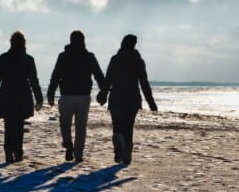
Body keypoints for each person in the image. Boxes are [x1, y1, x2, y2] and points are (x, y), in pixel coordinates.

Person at [47, 30, 105, 163]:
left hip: (67, 95)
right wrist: (104, 91)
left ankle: (68, 143)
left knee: (65, 123)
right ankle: (78, 154)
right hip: (84, 96)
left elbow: (56, 75)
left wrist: (51, 93)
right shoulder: (89, 56)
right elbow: (99, 75)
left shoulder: (63, 56)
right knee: (81, 126)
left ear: (71, 40)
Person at [100, 34, 157, 164]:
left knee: (117, 125)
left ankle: (118, 147)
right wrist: (151, 102)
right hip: (132, 98)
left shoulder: (115, 59)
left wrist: (103, 93)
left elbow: (108, 79)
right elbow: (144, 83)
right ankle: (127, 155)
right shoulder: (138, 61)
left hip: (116, 97)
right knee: (129, 126)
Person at [0, 31, 43, 163]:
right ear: (24, 43)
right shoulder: (28, 59)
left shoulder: (4, 57)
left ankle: (9, 152)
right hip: (22, 96)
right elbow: (33, 80)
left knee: (9, 125)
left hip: (7, 95)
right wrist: (39, 98)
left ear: (11, 42)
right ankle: (18, 151)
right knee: (19, 125)